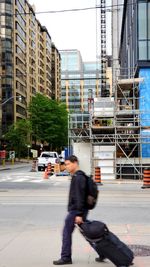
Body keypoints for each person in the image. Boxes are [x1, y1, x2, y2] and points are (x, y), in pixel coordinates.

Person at [53, 155, 89, 265]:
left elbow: (79, 197)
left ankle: (66, 257)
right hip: (79, 210)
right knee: (88, 232)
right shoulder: (79, 176)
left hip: (76, 210)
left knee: (66, 232)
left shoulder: (78, 177)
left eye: (68, 164)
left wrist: (78, 214)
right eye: (65, 164)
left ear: (75, 163)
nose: (66, 166)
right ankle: (103, 251)